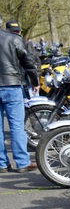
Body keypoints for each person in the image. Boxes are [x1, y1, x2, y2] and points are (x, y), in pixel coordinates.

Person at [0, 17, 39, 173]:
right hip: (12, 85)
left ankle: (2, 164)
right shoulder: (13, 39)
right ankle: (22, 162)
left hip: (10, 84)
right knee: (16, 126)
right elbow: (28, 62)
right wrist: (34, 81)